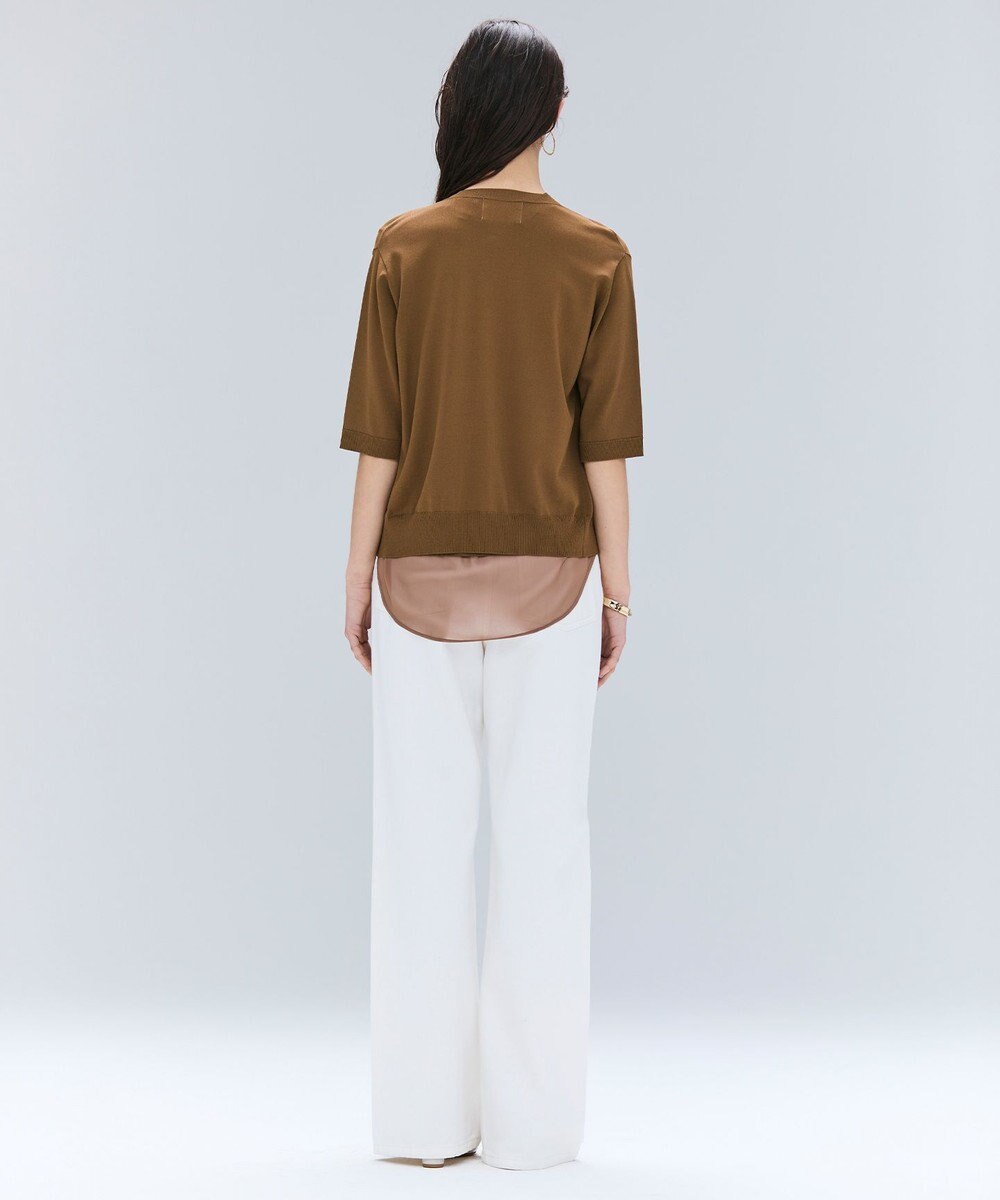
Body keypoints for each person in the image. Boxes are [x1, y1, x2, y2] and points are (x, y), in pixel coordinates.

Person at [340, 18, 642, 1172]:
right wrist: (619, 594)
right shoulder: (596, 255)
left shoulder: (401, 247)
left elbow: (378, 438)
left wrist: (355, 578)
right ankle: (533, 1132)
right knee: (542, 853)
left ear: (457, 108)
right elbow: (604, 449)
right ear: (554, 117)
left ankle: (420, 1128)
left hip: (413, 580)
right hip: (556, 583)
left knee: (418, 852)